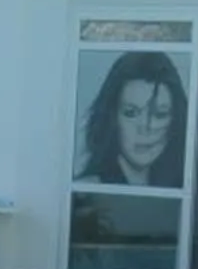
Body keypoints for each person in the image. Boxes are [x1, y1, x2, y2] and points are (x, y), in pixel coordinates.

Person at [76, 51, 188, 188]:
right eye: (131, 113)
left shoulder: (182, 183)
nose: (145, 127)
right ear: (112, 118)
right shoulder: (87, 188)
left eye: (159, 114)